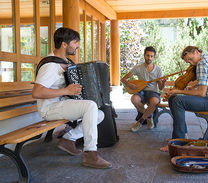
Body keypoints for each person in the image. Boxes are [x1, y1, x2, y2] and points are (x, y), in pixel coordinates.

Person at [32, 27, 112, 169]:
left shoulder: (66, 63)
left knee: (99, 114)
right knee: (90, 107)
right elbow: (37, 92)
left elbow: (74, 86)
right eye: (75, 42)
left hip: (61, 104)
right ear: (64, 44)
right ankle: (90, 154)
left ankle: (68, 139)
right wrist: (65, 90)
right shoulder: (50, 65)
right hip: (49, 109)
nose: (77, 46)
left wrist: (100, 89)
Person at [160, 46, 208, 152]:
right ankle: (181, 135)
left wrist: (179, 91)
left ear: (195, 52)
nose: (191, 63)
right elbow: (205, 83)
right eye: (188, 62)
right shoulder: (206, 58)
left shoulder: (202, 64)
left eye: (190, 59)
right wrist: (192, 87)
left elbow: (201, 93)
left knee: (177, 100)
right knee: (173, 98)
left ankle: (178, 143)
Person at [121, 46, 166, 132]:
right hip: (141, 91)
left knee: (155, 101)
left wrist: (163, 82)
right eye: (147, 55)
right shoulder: (138, 68)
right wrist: (129, 84)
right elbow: (123, 79)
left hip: (153, 92)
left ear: (154, 57)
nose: (149, 58)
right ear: (144, 55)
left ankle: (140, 122)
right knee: (134, 99)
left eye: (151, 56)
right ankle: (149, 117)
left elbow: (160, 87)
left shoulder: (158, 70)